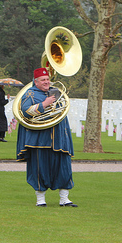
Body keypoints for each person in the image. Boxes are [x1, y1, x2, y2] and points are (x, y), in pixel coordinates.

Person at [16, 68, 76, 207]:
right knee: (39, 168)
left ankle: (64, 199)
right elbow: (25, 112)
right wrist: (44, 104)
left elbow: (63, 107)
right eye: (43, 80)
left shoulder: (56, 92)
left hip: (59, 137)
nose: (46, 82)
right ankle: (40, 200)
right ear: (35, 81)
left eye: (48, 79)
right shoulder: (30, 93)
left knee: (63, 168)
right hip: (39, 139)